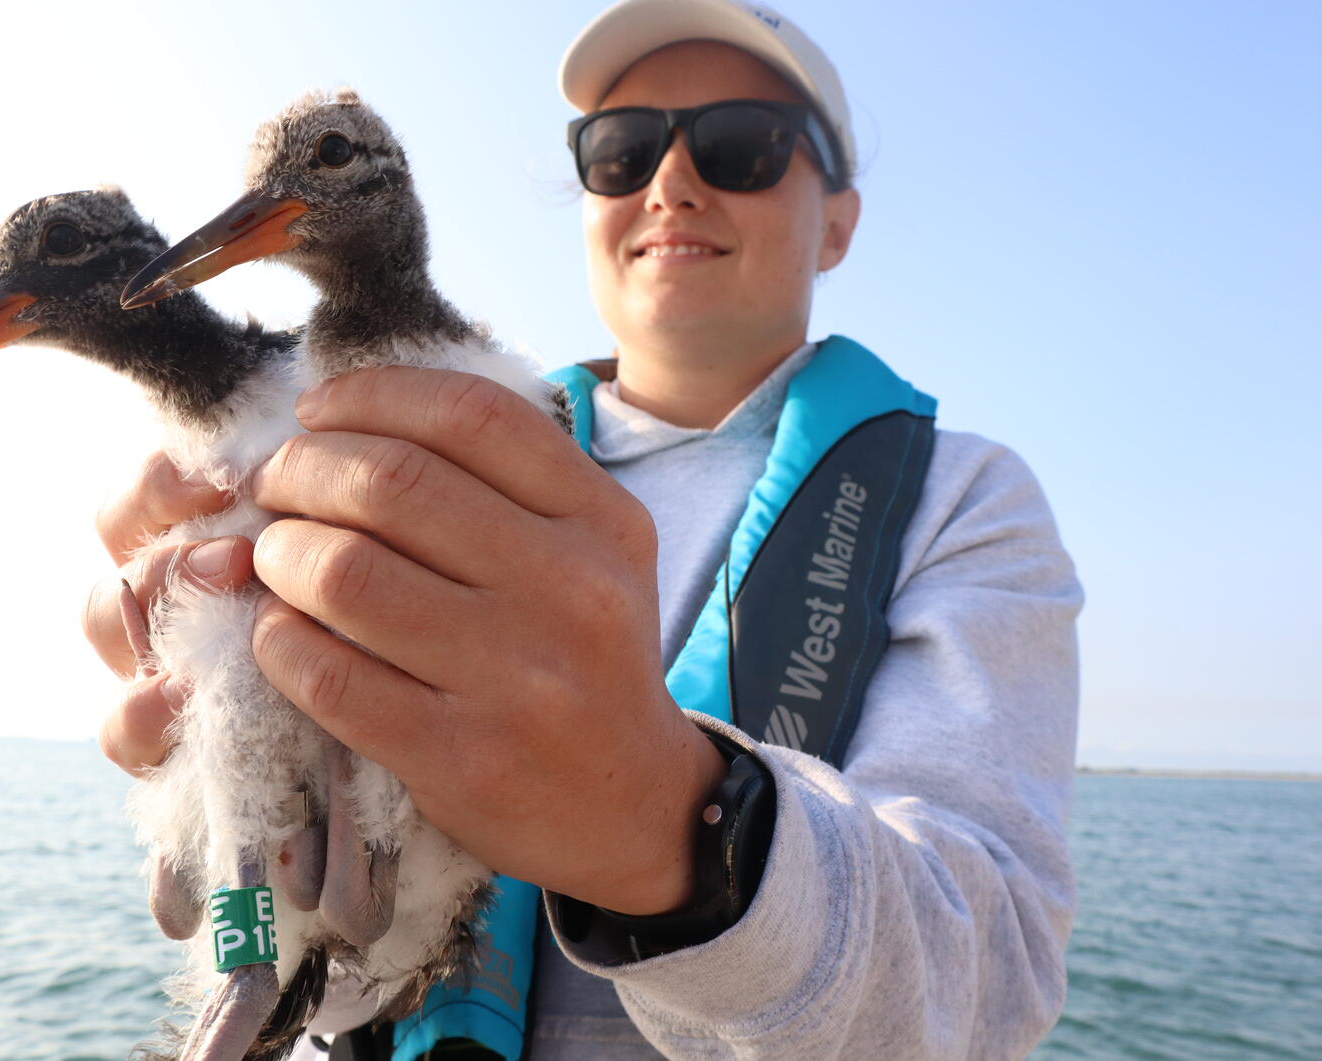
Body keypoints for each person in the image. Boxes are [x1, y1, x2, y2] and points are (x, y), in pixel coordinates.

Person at [84, 0, 1083, 1056]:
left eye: (744, 145)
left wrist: (665, 822)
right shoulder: (388, 419)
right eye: (620, 150)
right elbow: (351, 954)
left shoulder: (963, 499)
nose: (670, 182)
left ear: (839, 218)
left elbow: (987, 989)